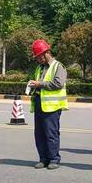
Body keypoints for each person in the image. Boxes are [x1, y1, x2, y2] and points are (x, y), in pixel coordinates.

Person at [28, 39, 68, 170]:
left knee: (51, 133)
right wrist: (33, 86)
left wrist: (39, 84)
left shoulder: (58, 66)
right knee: (39, 133)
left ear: (46, 53)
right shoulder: (39, 68)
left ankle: (54, 159)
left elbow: (58, 84)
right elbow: (40, 83)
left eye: (39, 57)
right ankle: (43, 158)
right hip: (40, 103)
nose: (37, 60)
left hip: (52, 106)